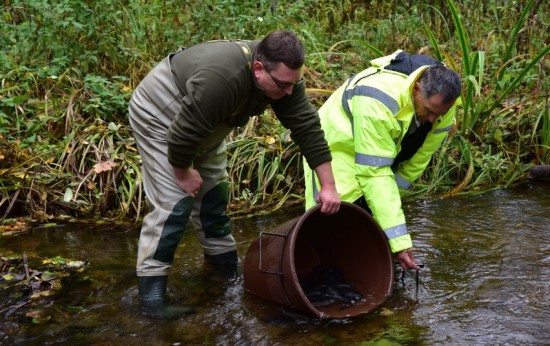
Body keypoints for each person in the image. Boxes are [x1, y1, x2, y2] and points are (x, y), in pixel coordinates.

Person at [128, 30, 341, 318]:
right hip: (161, 111)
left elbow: (307, 128)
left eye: (294, 84)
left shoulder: (283, 78)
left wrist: (328, 185)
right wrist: (183, 171)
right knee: (175, 205)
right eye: (283, 85)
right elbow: (181, 136)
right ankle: (150, 300)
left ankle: (222, 270)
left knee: (214, 196)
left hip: (206, 121)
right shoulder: (221, 80)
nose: (289, 92)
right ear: (258, 69)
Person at [304, 50, 461, 271]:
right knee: (331, 216)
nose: (434, 120)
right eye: (429, 111)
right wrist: (399, 242)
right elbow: (374, 173)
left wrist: (387, 214)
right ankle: (319, 269)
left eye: (440, 114)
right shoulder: (378, 98)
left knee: (374, 212)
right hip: (338, 145)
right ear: (416, 89)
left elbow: (418, 159)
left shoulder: (443, 103)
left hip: (385, 145)